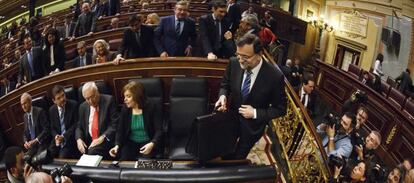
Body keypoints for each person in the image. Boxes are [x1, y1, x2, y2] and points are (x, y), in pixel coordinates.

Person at [215, 34, 287, 159]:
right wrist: (222, 96)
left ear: (259, 54)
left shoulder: (275, 76)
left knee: (237, 160)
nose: (240, 60)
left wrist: (254, 113)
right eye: (238, 54)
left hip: (251, 129)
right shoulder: (234, 63)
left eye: (245, 57)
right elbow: (225, 85)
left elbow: (280, 109)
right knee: (224, 155)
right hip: (229, 121)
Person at [109, 81, 162, 160]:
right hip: (131, 142)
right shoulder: (125, 109)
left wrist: (152, 143)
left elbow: (159, 130)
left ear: (137, 96)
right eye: (125, 97)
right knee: (123, 162)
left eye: (128, 96)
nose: (125, 100)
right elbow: (120, 130)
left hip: (148, 142)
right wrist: (117, 145)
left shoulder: (152, 107)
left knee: (145, 164)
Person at [75, 82, 119, 158]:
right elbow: (79, 126)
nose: (91, 101)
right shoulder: (82, 107)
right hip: (89, 141)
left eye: (92, 97)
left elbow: (115, 124)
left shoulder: (109, 101)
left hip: (104, 141)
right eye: (87, 99)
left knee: (92, 152)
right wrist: (79, 139)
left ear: (97, 92)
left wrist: (102, 137)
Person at [48, 85, 79, 158]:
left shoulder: (74, 105)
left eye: (63, 95)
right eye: (58, 98)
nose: (62, 99)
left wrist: (64, 136)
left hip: (69, 139)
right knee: (47, 156)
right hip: (57, 140)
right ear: (54, 101)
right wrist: (56, 136)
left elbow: (76, 125)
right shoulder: (52, 110)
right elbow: (52, 128)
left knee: (62, 157)